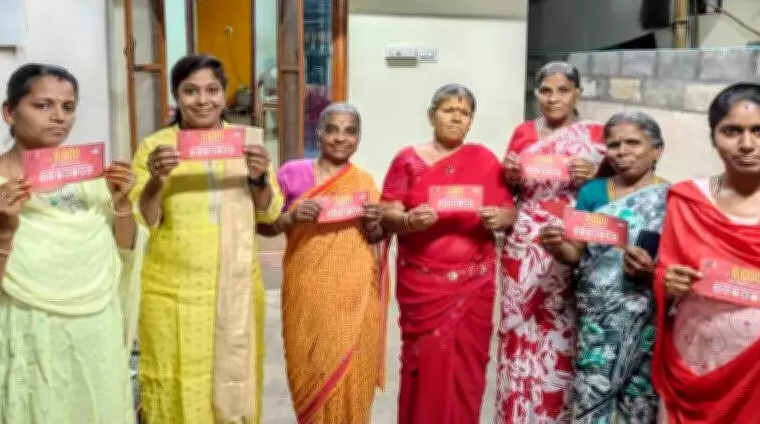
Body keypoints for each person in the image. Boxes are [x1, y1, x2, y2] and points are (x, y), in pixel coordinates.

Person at [0, 64, 147, 423]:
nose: (59, 116)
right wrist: (2, 232)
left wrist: (122, 203)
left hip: (95, 333)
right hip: (27, 334)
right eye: (43, 105)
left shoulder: (92, 177)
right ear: (9, 112)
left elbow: (124, 251)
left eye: (68, 107)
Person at [130, 54, 283, 423]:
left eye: (212, 90)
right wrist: (156, 180)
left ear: (224, 93)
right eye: (191, 91)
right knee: (176, 381)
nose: (203, 100)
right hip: (173, 293)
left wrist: (259, 178)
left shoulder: (245, 143)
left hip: (236, 288)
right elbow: (142, 222)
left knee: (235, 382)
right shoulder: (156, 148)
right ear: (176, 96)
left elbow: (270, 213)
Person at [380, 83, 516, 423]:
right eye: (448, 110)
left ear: (471, 121)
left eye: (464, 113)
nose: (456, 118)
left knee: (466, 369)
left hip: (473, 285)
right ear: (432, 115)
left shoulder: (484, 160)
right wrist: (408, 220)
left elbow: (508, 210)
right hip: (424, 286)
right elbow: (387, 211)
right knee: (424, 362)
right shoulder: (408, 160)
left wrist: (500, 218)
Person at [653, 83, 760, 423]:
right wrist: (668, 282)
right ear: (713, 137)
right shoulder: (689, 200)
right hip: (696, 361)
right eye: (731, 131)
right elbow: (665, 271)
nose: (747, 144)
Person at [259, 103, 387, 423]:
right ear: (319, 133)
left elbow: (375, 237)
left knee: (353, 374)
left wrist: (374, 222)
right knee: (310, 369)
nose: (340, 138)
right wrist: (292, 217)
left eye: (350, 131)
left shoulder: (364, 181)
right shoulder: (293, 173)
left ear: (358, 138)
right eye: (332, 129)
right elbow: (265, 225)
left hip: (356, 295)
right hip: (307, 292)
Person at [539, 112, 667, 423]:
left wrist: (651, 270)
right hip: (597, 316)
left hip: (645, 316)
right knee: (592, 392)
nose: (622, 152)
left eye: (633, 143)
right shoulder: (593, 193)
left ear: (657, 150)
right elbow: (575, 253)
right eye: (614, 145)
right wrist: (557, 245)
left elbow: (677, 264)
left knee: (638, 398)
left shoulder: (672, 198)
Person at [496, 61, 605, 423]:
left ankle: (553, 412)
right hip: (525, 242)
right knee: (518, 325)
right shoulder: (523, 132)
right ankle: (517, 411)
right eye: (545, 91)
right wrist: (512, 175)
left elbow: (615, 188)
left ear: (577, 93)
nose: (553, 98)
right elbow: (510, 188)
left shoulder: (596, 135)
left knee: (562, 323)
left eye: (563, 90)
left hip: (573, 239)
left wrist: (594, 175)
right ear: (536, 94)